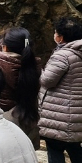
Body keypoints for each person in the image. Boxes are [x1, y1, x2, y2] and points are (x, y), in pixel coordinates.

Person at [39, 16, 82, 162]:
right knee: (75, 149)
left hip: (60, 116)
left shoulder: (63, 56)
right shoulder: (78, 51)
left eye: (55, 33)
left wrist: (39, 70)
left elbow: (47, 81)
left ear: (60, 37)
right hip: (77, 115)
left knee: (55, 150)